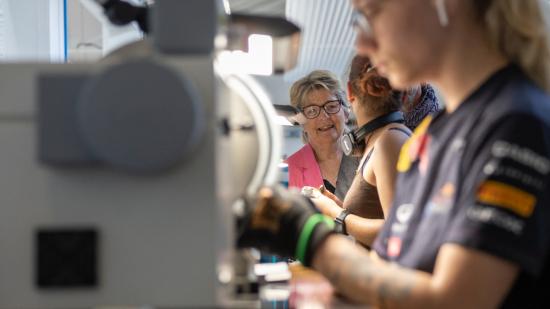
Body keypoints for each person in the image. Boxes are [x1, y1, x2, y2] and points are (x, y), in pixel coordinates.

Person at [237, 0, 550, 307]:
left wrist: (308, 235)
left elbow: (457, 300)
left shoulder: (514, 123)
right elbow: (394, 265)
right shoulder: (436, 134)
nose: (362, 41)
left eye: (371, 12)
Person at [311, 55, 411, 247]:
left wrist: (336, 214)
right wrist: (337, 206)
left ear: (349, 92)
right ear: (404, 94)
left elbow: (397, 233)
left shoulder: (390, 142)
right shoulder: (380, 141)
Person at [286, 70, 359, 200]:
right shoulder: (290, 169)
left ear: (346, 113)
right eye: (312, 111)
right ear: (301, 122)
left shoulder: (368, 156)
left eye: (331, 106)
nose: (324, 116)